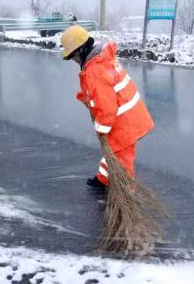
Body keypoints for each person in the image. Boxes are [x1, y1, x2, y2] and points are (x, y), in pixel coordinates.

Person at [61, 25, 154, 190]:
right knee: (112, 150)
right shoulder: (101, 60)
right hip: (126, 115)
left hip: (124, 121)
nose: (75, 61)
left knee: (121, 156)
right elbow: (104, 92)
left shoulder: (95, 69)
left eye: (74, 57)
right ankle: (104, 179)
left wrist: (101, 128)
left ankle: (125, 190)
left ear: (81, 50)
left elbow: (106, 106)